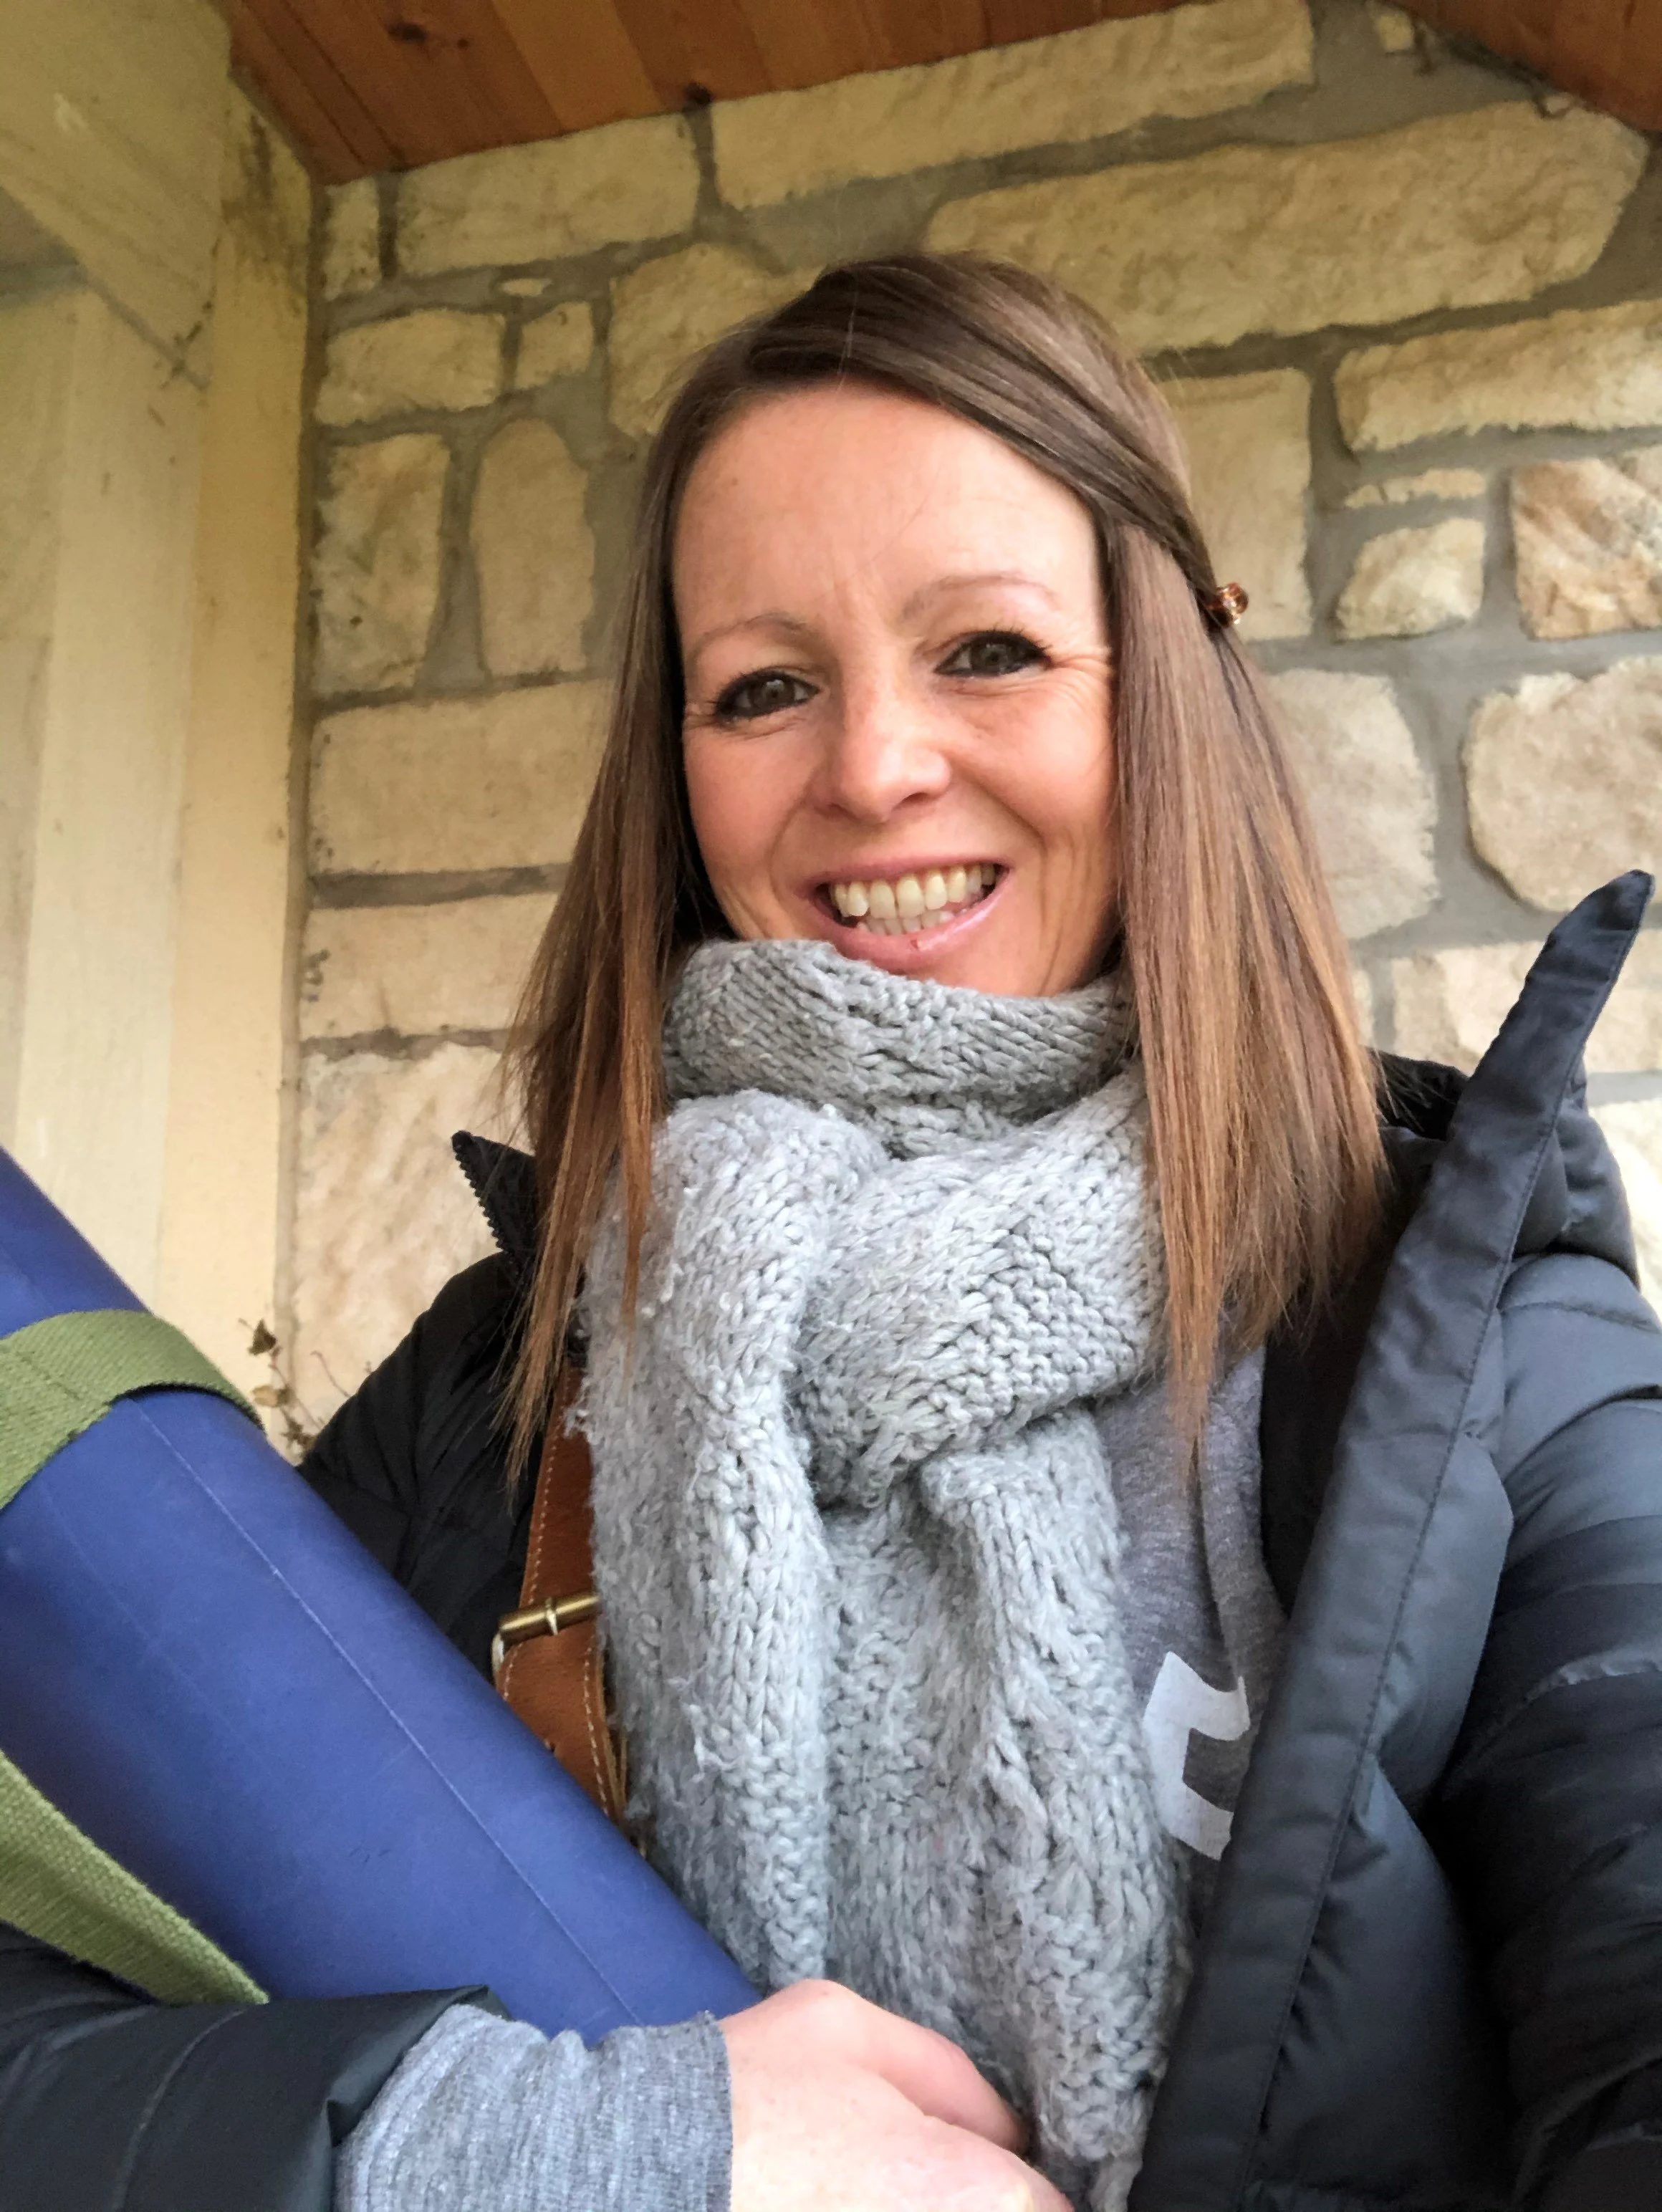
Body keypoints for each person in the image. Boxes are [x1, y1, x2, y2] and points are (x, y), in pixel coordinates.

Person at [4, 254, 1661, 2212]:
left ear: (1169, 698)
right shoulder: (485, 1393)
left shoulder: (1474, 1353)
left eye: (989, 652)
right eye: (765, 685)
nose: (872, 768)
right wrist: (587, 2149)